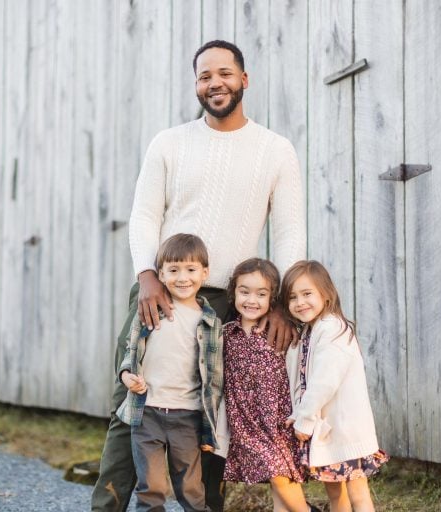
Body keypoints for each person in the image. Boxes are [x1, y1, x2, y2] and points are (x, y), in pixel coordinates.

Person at [91, 39, 307, 512]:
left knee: (213, 414)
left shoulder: (275, 150)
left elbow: (290, 232)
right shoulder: (169, 142)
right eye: (205, 75)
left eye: (225, 73)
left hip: (229, 303)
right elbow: (145, 215)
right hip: (161, 291)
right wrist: (146, 276)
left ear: (244, 80)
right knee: (131, 404)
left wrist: (280, 304)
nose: (216, 83)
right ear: (196, 84)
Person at [117, 233, 222, 511]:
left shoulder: (210, 321)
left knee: (190, 487)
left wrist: (211, 426)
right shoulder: (151, 311)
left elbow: (215, 376)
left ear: (205, 273)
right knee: (151, 487)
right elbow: (131, 352)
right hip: (147, 412)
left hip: (186, 416)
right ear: (161, 274)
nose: (182, 278)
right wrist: (127, 376)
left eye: (190, 269)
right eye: (173, 270)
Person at [282, 261, 389, 512]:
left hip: (345, 430)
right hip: (329, 433)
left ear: (326, 294)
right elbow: (303, 381)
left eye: (307, 294)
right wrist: (298, 413)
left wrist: (305, 420)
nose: (300, 302)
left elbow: (323, 382)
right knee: (334, 492)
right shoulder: (310, 330)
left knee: (358, 494)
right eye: (292, 297)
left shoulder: (332, 329)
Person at [220, 258, 316, 512]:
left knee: (280, 475)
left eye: (261, 294)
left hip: (278, 417)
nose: (252, 300)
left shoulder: (282, 332)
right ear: (233, 293)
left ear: (272, 298)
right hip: (246, 420)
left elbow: (302, 369)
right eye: (244, 292)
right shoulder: (228, 333)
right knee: (278, 476)